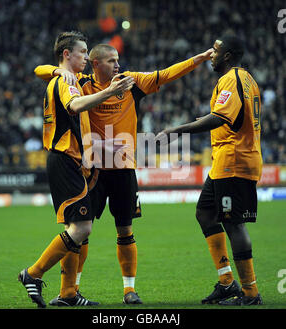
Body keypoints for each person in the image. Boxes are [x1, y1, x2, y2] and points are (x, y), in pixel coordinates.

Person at [34, 44, 213, 304]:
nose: (118, 65)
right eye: (111, 61)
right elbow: (40, 70)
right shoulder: (80, 83)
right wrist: (58, 72)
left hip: (123, 169)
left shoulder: (131, 82)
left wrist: (199, 58)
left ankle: (129, 290)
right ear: (96, 65)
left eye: (118, 59)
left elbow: (166, 74)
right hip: (92, 170)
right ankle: (68, 291)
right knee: (79, 231)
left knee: (125, 231)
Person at [18, 31, 134, 308]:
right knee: (82, 227)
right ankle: (32, 274)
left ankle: (68, 293)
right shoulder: (66, 81)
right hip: (63, 159)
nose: (86, 57)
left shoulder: (61, 76)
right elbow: (75, 105)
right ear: (67, 55)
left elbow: (40, 70)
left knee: (77, 227)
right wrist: (110, 92)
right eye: (82, 52)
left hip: (69, 161)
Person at [156, 35, 263, 306]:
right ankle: (227, 282)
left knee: (233, 223)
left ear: (227, 56)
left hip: (234, 160)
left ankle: (250, 294)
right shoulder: (246, 79)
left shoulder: (232, 79)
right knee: (205, 212)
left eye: (215, 51)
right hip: (223, 162)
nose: (210, 54)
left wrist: (177, 130)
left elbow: (221, 118)